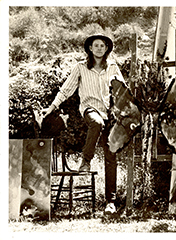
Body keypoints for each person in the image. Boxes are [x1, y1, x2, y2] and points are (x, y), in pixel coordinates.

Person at [42, 33, 125, 214]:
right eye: (96, 45)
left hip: (109, 114)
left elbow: (122, 92)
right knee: (95, 123)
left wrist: (124, 111)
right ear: (90, 48)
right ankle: (86, 160)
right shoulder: (80, 67)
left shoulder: (112, 68)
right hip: (90, 109)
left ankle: (110, 203)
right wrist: (52, 107)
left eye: (102, 46)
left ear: (107, 49)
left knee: (111, 157)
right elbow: (67, 89)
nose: (99, 48)